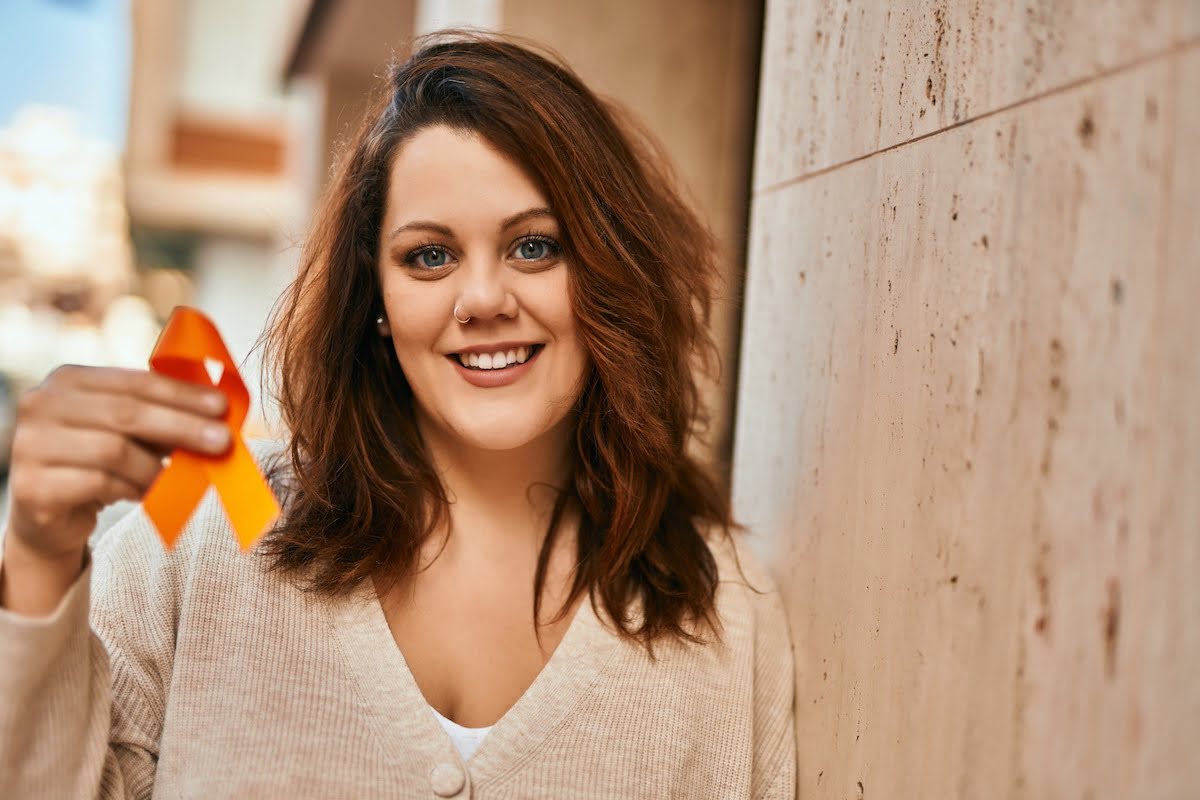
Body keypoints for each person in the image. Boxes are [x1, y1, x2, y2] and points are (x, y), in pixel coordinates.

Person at [0, 32, 796, 798]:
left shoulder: (725, 613)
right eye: (429, 256)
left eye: (534, 246)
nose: (482, 299)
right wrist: (37, 554)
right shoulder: (204, 545)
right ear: (377, 300)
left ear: (609, 270)